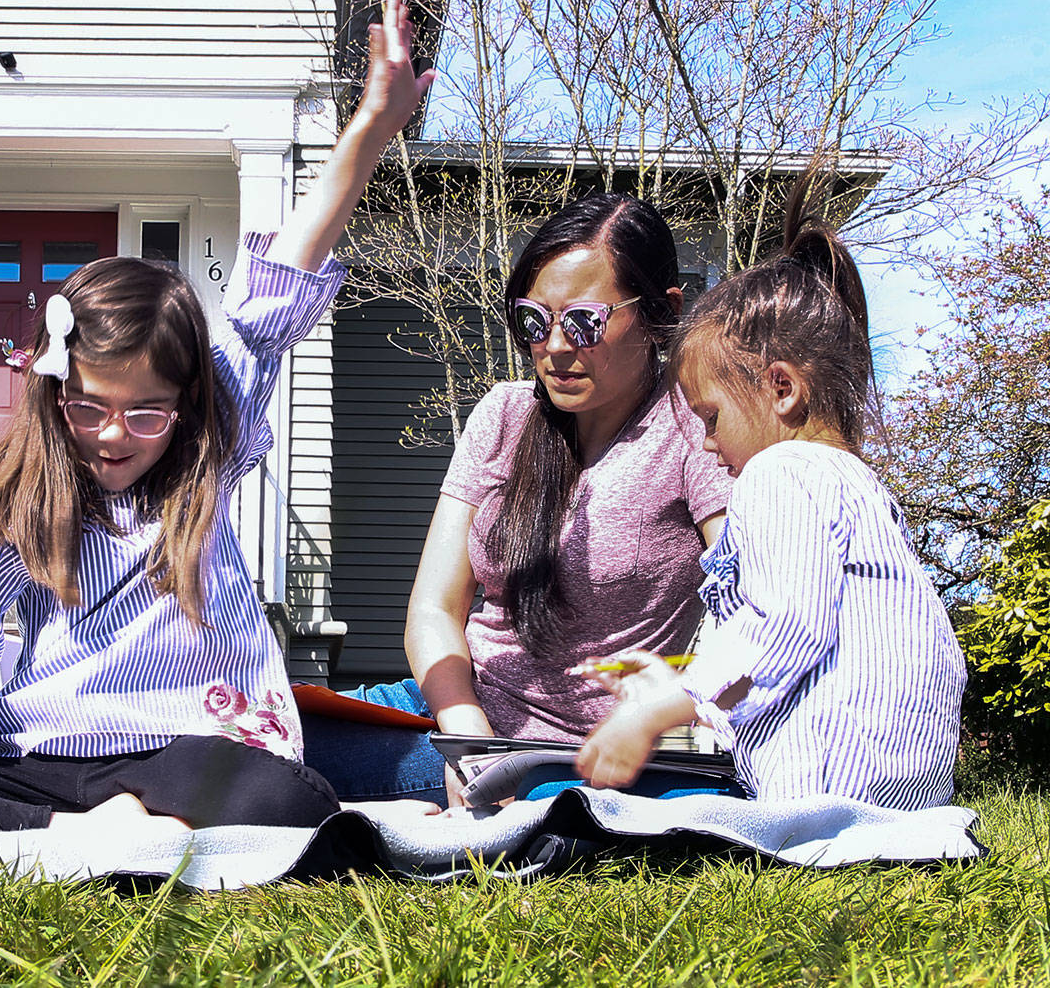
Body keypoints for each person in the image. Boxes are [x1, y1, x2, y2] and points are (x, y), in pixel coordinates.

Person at [0, 0, 437, 833]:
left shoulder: (209, 442)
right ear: (52, 390)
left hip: (179, 744)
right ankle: (97, 817)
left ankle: (113, 811)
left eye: (148, 413)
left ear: (187, 405)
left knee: (285, 797)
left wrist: (368, 130)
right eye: (89, 408)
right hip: (36, 753)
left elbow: (274, 289)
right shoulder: (22, 491)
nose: (115, 434)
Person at [303, 192, 733, 804]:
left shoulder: (696, 432)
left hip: (585, 754)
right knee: (246, 746)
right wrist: (465, 735)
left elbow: (759, 615)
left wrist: (667, 707)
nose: (555, 347)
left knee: (651, 813)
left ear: (662, 314)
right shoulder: (503, 416)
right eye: (534, 320)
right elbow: (434, 609)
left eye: (585, 321)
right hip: (457, 717)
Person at [575, 174, 965, 809]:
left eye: (709, 418)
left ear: (782, 389)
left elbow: (785, 627)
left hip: (827, 786)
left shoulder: (779, 472)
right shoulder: (856, 483)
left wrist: (657, 713)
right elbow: (813, 637)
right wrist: (679, 682)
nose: (705, 444)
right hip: (906, 786)